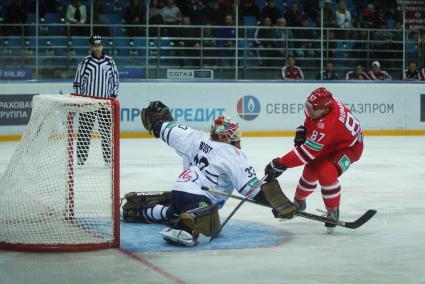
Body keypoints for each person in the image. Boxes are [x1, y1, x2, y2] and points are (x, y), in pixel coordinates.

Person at [124, 102, 294, 246]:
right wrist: (279, 203)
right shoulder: (233, 155)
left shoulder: (195, 137)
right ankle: (188, 227)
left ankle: (144, 211)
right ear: (229, 136)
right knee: (211, 221)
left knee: (172, 212)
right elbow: (252, 190)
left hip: (179, 190)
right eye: (235, 133)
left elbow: (163, 127)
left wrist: (157, 122)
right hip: (199, 199)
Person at [264, 87, 364, 234]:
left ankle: (332, 209)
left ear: (324, 110)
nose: (308, 111)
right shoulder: (326, 105)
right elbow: (313, 123)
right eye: (307, 106)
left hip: (350, 148)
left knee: (325, 172)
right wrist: (305, 130)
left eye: (312, 109)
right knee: (311, 169)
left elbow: (306, 153)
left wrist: (280, 163)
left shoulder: (327, 124)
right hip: (332, 142)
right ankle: (299, 202)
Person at [73, 35, 119, 166]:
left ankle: (108, 160)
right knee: (84, 132)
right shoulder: (85, 62)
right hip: (88, 103)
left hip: (105, 104)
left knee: (106, 133)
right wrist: (81, 99)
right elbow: (77, 82)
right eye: (95, 45)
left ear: (102, 46)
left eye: (99, 45)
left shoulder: (110, 62)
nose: (97, 48)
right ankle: (81, 160)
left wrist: (112, 96)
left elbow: (115, 81)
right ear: (91, 47)